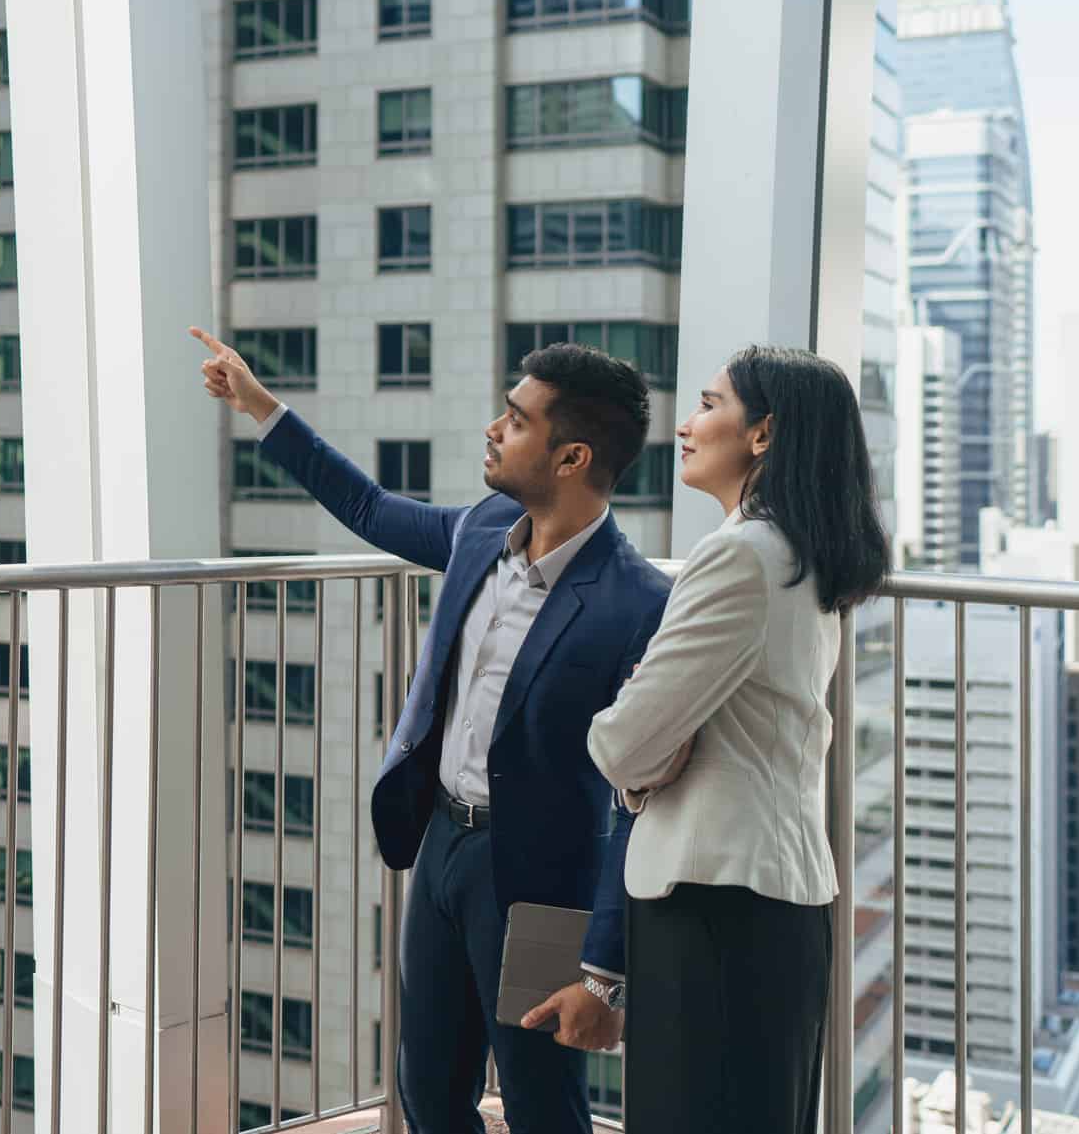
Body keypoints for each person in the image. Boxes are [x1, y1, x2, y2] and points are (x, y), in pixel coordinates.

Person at [194, 327, 669, 1133]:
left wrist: (605, 969)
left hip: (541, 882)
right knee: (428, 1087)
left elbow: (639, 800)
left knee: (542, 1099)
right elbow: (370, 507)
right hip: (443, 842)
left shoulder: (636, 603)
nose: (494, 428)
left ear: (572, 457)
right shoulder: (483, 528)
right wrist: (260, 406)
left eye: (516, 419)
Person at [574, 346, 889, 1134]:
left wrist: (638, 745)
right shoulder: (802, 554)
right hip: (769, 903)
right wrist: (654, 745)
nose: (686, 424)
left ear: (763, 433)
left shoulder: (740, 555)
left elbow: (621, 743)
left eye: (709, 404)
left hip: (713, 906)